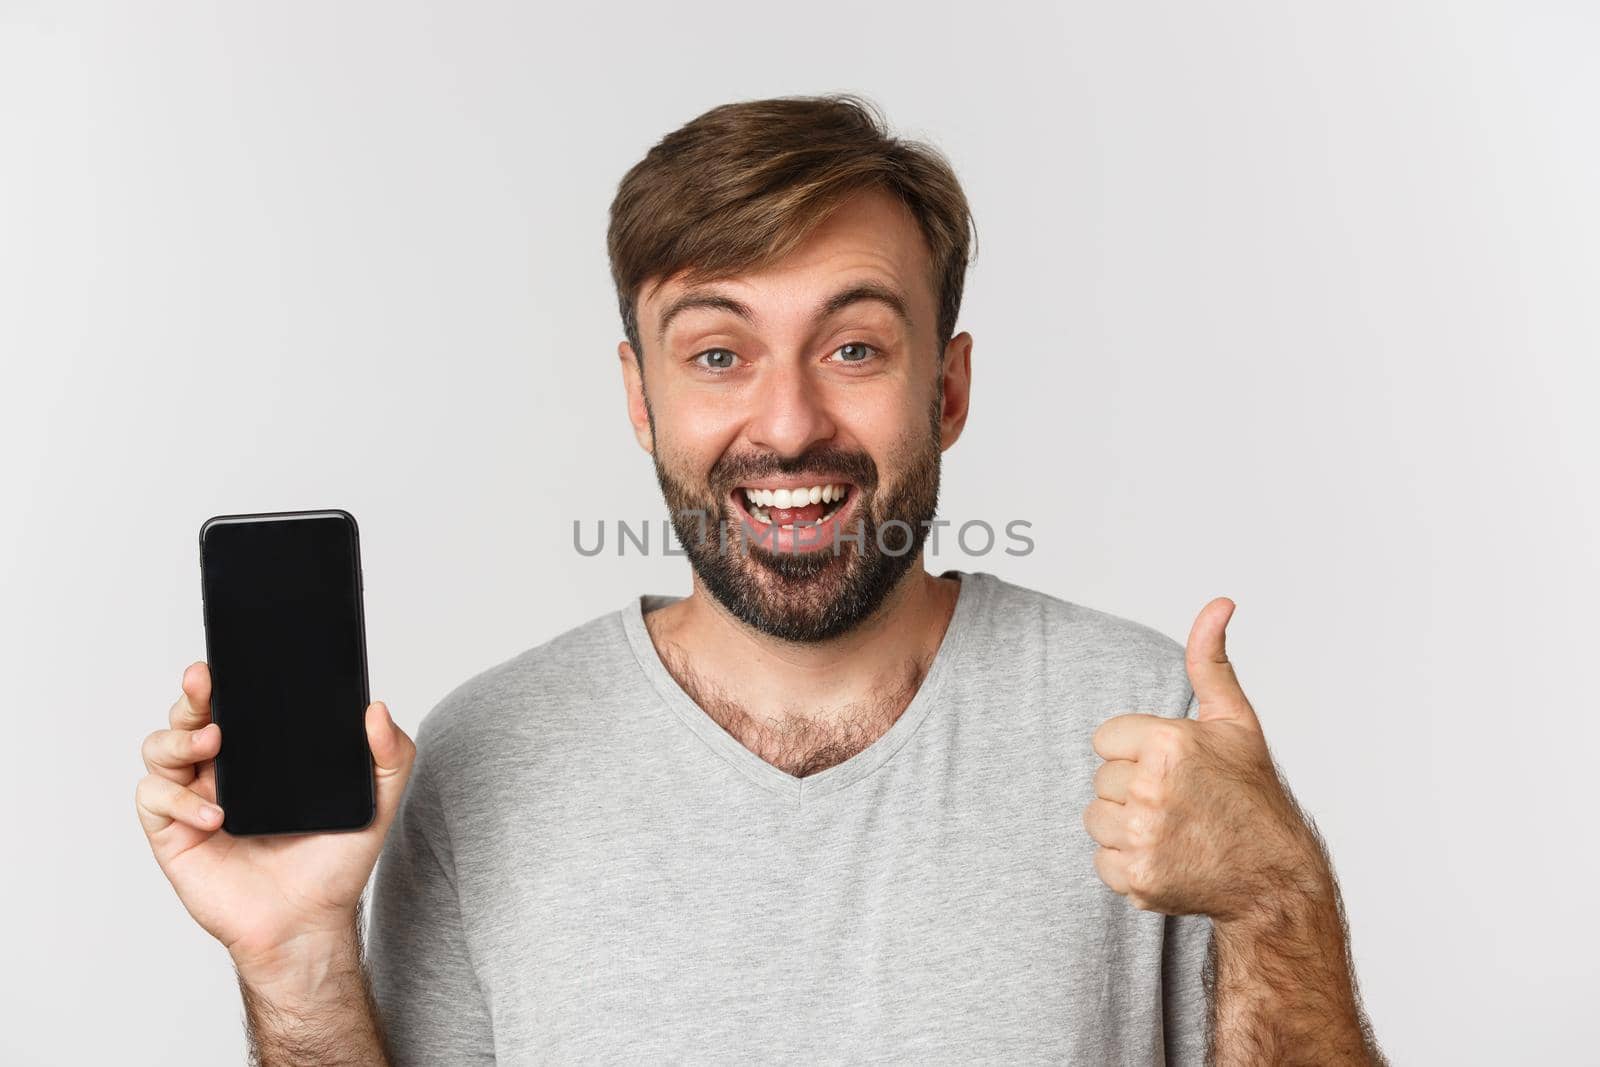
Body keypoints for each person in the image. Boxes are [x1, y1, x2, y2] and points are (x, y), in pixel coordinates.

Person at [136, 94, 1385, 1065]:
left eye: (852, 345)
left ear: (944, 389)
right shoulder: (486, 756)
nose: (787, 425)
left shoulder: (1143, 725)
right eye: (719, 352)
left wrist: (1279, 892)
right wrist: (296, 955)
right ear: (640, 395)